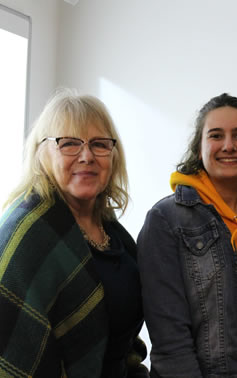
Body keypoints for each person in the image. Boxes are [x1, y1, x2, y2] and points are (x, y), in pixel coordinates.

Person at [0, 89, 147, 377]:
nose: (87, 156)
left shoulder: (115, 234)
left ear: (113, 155)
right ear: (42, 154)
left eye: (99, 144)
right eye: (69, 144)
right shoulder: (26, 233)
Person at [138, 93, 237, 377]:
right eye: (216, 135)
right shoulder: (166, 220)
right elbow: (171, 344)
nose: (228, 146)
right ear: (199, 147)